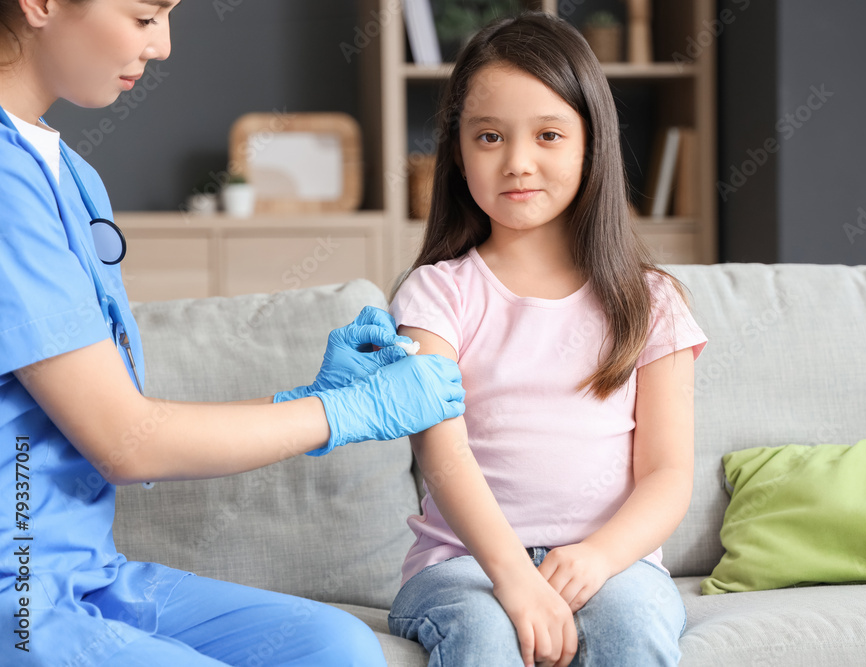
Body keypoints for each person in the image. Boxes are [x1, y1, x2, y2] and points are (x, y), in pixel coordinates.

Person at [0, 1, 465, 664]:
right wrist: (341, 411)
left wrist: (302, 397)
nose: (162, 46)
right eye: (144, 16)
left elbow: (127, 416)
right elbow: (124, 444)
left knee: (338, 647)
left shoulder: (71, 173)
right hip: (16, 602)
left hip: (87, 576)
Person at [385, 11, 709, 667]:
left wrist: (598, 556)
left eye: (550, 135)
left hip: (610, 562)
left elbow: (669, 475)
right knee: (482, 633)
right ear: (457, 151)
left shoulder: (653, 301)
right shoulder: (434, 295)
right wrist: (513, 577)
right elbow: (443, 458)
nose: (518, 162)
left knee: (630, 627)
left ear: (592, 144)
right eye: (489, 136)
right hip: (464, 564)